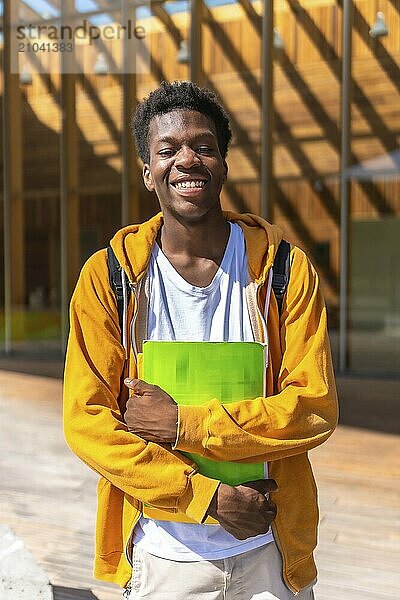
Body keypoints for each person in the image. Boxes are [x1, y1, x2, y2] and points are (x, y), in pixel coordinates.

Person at [63, 81, 338, 600]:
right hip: (160, 554)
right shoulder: (110, 278)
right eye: (167, 150)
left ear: (223, 165)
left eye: (204, 146)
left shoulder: (283, 269)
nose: (187, 159)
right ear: (148, 172)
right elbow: (86, 421)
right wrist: (207, 498)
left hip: (271, 552)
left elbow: (313, 407)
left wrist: (182, 423)